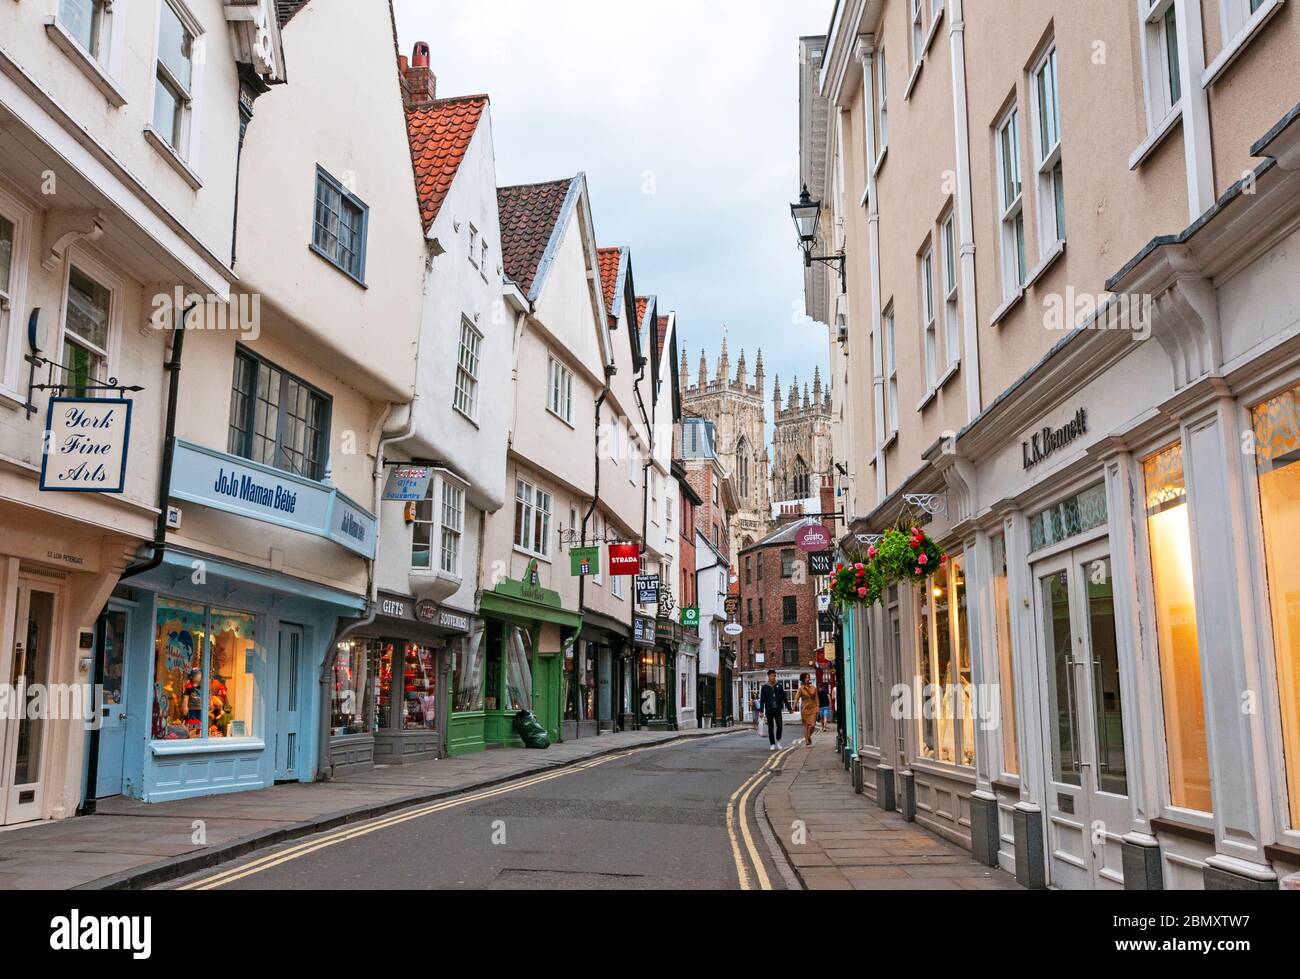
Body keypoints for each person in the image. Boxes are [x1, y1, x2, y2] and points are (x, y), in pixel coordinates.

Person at [759, 669, 792, 751]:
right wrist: (761, 711)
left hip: (778, 709)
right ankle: (772, 744)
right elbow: (762, 700)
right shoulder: (764, 687)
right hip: (769, 709)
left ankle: (778, 741)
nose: (773, 677)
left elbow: (784, 698)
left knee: (780, 725)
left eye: (774, 675)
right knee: (771, 727)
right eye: (771, 676)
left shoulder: (779, 686)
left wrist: (789, 708)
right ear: (768, 677)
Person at [795, 673, 818, 746]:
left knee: (813, 725)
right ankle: (807, 741)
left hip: (813, 708)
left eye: (808, 677)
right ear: (803, 679)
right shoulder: (800, 689)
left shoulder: (813, 687)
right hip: (805, 709)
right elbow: (796, 698)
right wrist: (793, 706)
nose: (808, 679)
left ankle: (808, 736)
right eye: (806, 677)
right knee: (806, 725)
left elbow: (816, 698)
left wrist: (818, 706)